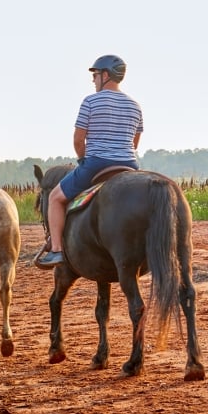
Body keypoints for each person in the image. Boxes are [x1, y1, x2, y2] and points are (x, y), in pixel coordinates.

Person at [37, 54, 143, 267]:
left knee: (56, 198)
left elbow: (78, 140)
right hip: (130, 166)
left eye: (95, 75)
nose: (93, 80)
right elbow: (135, 142)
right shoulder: (135, 105)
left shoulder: (90, 101)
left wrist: (83, 159)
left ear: (105, 75)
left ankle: (56, 249)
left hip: (97, 164)